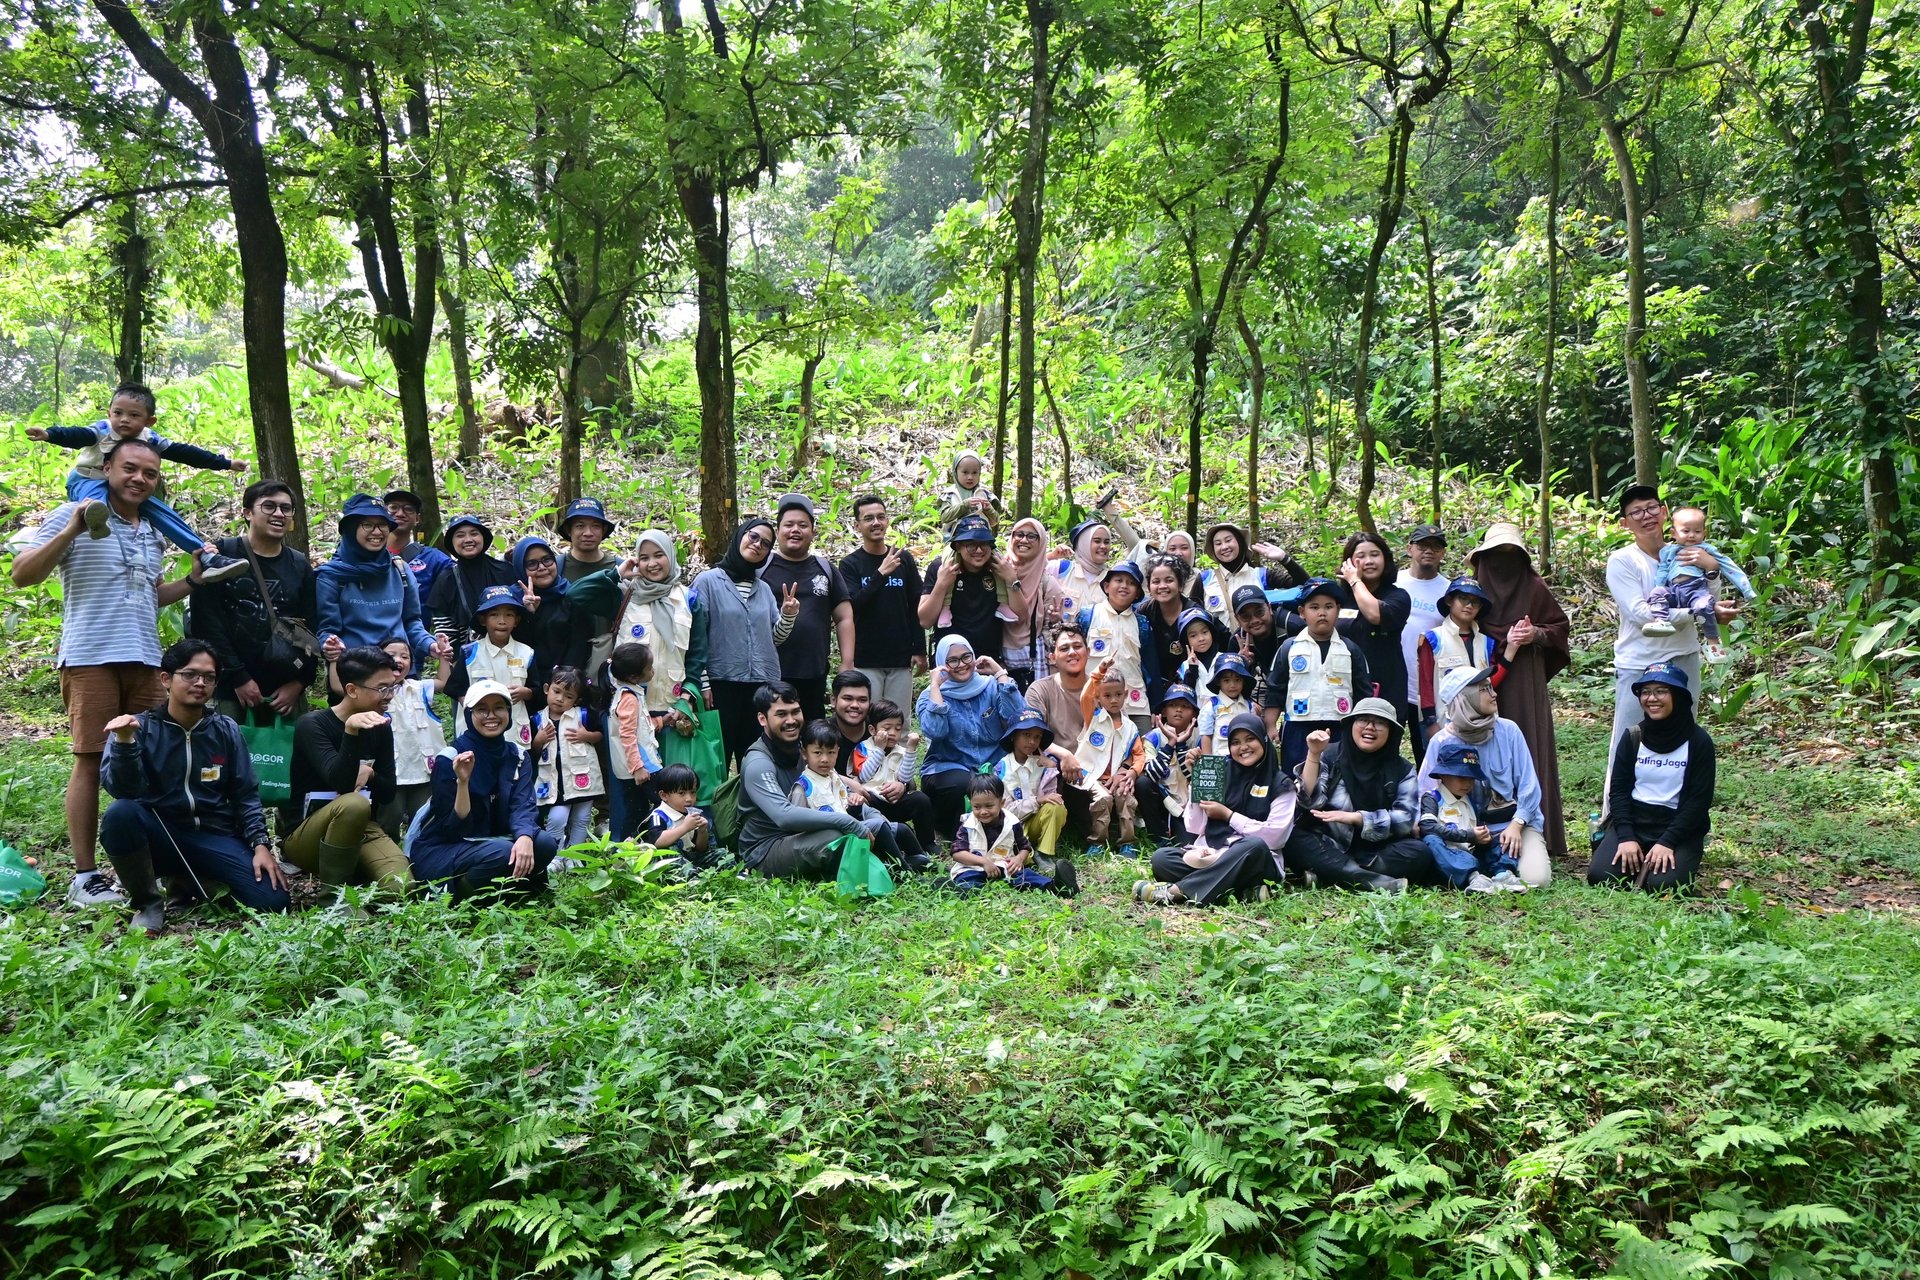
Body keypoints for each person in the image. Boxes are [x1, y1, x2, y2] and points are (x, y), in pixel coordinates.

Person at [11, 437, 198, 906]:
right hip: (90, 655)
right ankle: (85, 877)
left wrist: (192, 581)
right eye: (130, 468)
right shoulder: (72, 513)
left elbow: (151, 595)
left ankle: (158, 866)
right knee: (91, 759)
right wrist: (72, 529)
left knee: (155, 761)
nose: (139, 479)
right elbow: (22, 574)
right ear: (108, 467)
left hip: (146, 659)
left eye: (150, 474)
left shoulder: (152, 530)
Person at [97, 639, 288, 932]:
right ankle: (148, 903)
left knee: (273, 900)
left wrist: (260, 845)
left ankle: (189, 880)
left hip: (214, 834)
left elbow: (245, 793)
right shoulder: (138, 728)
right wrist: (125, 742)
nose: (200, 683)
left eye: (209, 677)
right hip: (160, 835)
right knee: (119, 814)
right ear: (166, 679)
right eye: (189, 674)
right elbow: (124, 791)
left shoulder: (225, 729)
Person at [25, 381, 248, 581]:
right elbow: (77, 435)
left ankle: (207, 556)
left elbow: (185, 453)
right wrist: (50, 434)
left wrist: (225, 463)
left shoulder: (149, 438)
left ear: (149, 421)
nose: (124, 419)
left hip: (123, 489)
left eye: (133, 415)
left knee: (165, 514)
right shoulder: (102, 429)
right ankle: (95, 521)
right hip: (88, 478)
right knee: (95, 503)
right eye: (118, 413)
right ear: (109, 413)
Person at [1605, 484, 1735, 803]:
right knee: (1628, 742)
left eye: (1651, 508)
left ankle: (1677, 815)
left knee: (1682, 740)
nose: (1646, 516)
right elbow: (1640, 614)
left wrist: (1711, 570)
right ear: (1624, 523)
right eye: (1636, 512)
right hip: (1640, 664)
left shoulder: (1688, 553)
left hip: (1684, 658)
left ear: (1664, 513)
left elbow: (1708, 598)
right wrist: (1697, 612)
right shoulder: (1623, 561)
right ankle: (1613, 819)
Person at [1467, 522, 1572, 857]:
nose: (1503, 561)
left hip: (1524, 678)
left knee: (1528, 744)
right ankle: (1482, 831)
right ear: (1484, 558)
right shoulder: (1473, 591)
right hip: (1483, 674)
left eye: (1511, 554)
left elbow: (1559, 627)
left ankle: (1536, 829)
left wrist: (1535, 634)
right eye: (1497, 554)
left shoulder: (1534, 587)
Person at [282, 645, 413, 899]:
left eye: (392, 687)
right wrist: (350, 732)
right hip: (308, 834)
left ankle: (357, 878)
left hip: (362, 828)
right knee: (353, 803)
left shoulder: (380, 726)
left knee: (400, 887)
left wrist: (371, 774)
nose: (389, 696)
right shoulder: (312, 725)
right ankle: (333, 898)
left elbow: (387, 793)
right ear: (352, 690)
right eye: (382, 689)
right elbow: (341, 783)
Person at [411, 679, 558, 901]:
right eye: (481, 709)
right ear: (468, 714)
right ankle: (464, 900)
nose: (491, 716)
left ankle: (514, 894)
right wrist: (463, 783)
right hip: (447, 846)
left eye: (499, 708)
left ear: (508, 712)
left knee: (543, 844)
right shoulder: (450, 759)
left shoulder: (517, 755)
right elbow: (451, 828)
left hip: (493, 839)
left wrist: (524, 836)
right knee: (502, 851)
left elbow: (523, 805)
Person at [189, 479, 318, 722]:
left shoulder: (299, 565)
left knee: (290, 747)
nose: (279, 514)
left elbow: (310, 626)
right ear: (247, 513)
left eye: (286, 508)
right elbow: (206, 622)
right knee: (228, 745)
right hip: (230, 689)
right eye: (269, 506)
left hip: (286, 692)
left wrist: (299, 682)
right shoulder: (222, 555)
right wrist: (238, 677)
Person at [1136, 714, 1290, 907]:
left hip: (1256, 861)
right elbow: (1194, 826)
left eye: (1250, 739)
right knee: (1162, 859)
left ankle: (1178, 891)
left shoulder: (1280, 784)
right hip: (1213, 853)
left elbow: (1275, 838)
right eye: (1235, 742)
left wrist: (1228, 815)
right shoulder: (1220, 771)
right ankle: (1244, 892)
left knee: (1254, 845)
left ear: (1263, 739)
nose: (1243, 747)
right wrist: (1197, 780)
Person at [739, 682, 888, 880]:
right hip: (766, 849)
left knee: (872, 822)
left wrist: (854, 793)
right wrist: (847, 822)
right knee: (838, 835)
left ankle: (901, 863)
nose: (791, 720)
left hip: (801, 835)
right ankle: (872, 871)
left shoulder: (799, 748)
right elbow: (784, 816)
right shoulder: (758, 763)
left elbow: (827, 785)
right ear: (762, 719)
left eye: (795, 712)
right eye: (781, 714)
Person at [1418, 666, 1552, 886]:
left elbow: (1529, 787)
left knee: (1538, 879)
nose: (1494, 694)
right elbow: (1425, 792)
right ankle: (1475, 871)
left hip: (1510, 828)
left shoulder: (1509, 731)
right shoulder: (1442, 741)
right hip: (1459, 832)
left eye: (1491, 687)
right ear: (1464, 698)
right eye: (1484, 689)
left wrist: (1517, 825)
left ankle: (1497, 868)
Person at [1590, 663, 1717, 892]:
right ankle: (1636, 856)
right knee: (1601, 877)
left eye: (1661, 691)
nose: (1651, 698)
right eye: (1646, 692)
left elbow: (1699, 801)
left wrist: (1668, 842)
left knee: (1663, 887)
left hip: (1678, 827)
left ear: (1678, 696)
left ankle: (1669, 859)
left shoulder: (1698, 742)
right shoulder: (1633, 737)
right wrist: (1626, 837)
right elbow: (1618, 791)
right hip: (1635, 822)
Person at [1297, 697, 1439, 886]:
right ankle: (1376, 882)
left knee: (1419, 853)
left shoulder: (1402, 769)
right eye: (1363, 720)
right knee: (1294, 838)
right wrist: (1314, 754)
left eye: (1380, 723)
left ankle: (1333, 874)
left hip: (1376, 851)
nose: (1370, 727)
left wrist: (1358, 818)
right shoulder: (1330, 754)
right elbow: (1307, 801)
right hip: (1330, 843)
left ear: (1391, 732)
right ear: (1352, 725)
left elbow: (1405, 820)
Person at [315, 494, 448, 682]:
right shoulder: (332, 576)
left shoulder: (400, 569)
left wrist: (431, 645)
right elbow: (327, 629)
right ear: (351, 528)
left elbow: (411, 622)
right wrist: (330, 645)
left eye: (382, 525)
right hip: (355, 677)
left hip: (398, 673)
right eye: (367, 525)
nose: (377, 532)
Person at [692, 517, 787, 768]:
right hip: (720, 684)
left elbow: (774, 639)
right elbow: (695, 636)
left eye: (765, 544)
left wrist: (788, 615)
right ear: (740, 536)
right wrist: (703, 683)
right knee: (716, 760)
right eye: (753, 536)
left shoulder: (763, 589)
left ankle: (750, 796)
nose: (757, 545)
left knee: (755, 758)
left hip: (759, 686)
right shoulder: (708, 581)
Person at [917, 635, 1026, 838]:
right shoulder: (930, 695)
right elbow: (936, 732)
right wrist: (935, 687)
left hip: (994, 763)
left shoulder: (991, 686)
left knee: (1001, 780)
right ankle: (957, 834)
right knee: (963, 784)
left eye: (966, 657)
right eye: (952, 660)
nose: (961, 664)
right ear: (942, 664)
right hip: (949, 765)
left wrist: (1000, 673)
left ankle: (1006, 833)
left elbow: (1018, 719)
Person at [760, 493, 854, 724]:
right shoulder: (761, 568)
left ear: (813, 532)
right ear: (777, 531)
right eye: (789, 525)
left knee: (813, 732)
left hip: (814, 671)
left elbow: (844, 617)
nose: (795, 530)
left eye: (803, 525)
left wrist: (847, 662)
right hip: (769, 671)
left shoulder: (825, 569)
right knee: (774, 729)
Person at [1266, 578, 1370, 772]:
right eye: (1314, 607)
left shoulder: (1350, 649)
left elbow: (1363, 693)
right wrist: (1271, 725)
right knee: (1296, 776)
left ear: (1338, 610)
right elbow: (1275, 689)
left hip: (1340, 727)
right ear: (1302, 612)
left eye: (1328, 607)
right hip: (1298, 728)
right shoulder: (1289, 648)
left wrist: (1362, 726)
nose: (1322, 613)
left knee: (1338, 776)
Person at [793, 719, 925, 870]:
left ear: (837, 752)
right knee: (879, 826)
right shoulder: (803, 788)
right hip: (833, 841)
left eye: (831, 753)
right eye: (817, 753)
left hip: (852, 830)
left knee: (901, 829)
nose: (825, 759)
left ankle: (923, 861)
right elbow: (797, 825)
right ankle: (902, 870)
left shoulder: (834, 777)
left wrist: (855, 805)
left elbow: (848, 811)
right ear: (804, 753)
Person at [839, 494, 925, 715]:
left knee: (899, 721)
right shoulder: (850, 564)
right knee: (868, 720)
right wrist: (880, 574)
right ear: (857, 526)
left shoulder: (903, 559)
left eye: (881, 517)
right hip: (865, 658)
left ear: (887, 521)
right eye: (868, 518)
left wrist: (919, 649)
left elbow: (916, 604)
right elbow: (852, 606)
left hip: (900, 658)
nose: (876, 523)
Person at [1645, 506, 1757, 664]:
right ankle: (1661, 621)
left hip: (1696, 590)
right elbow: (1663, 570)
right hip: (1673, 591)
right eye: (1686, 531)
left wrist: (1747, 589)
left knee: (1704, 606)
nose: (1691, 535)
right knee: (1657, 593)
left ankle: (1713, 643)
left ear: (1704, 533)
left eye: (1697, 531)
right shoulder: (1668, 551)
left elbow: (1728, 566)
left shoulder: (1706, 549)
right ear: (1673, 533)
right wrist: (1659, 585)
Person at [838, 679, 936, 849]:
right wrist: (879, 749)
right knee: (857, 805)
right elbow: (864, 775)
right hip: (871, 799)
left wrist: (910, 750)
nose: (892, 733)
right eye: (887, 728)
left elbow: (905, 777)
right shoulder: (863, 748)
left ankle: (927, 842)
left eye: (897, 729)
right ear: (872, 730)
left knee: (920, 800)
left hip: (893, 799)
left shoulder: (900, 750)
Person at [1420, 741, 1529, 893]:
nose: (1467, 783)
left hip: (1472, 851)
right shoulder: (1433, 798)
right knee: (1431, 840)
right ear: (1443, 775)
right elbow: (1427, 827)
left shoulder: (1470, 798)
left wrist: (1484, 837)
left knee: (1506, 837)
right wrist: (1468, 835)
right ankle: (1473, 878)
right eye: (1461, 777)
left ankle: (1503, 875)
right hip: (1449, 855)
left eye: (1471, 778)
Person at [1024, 626, 1098, 838]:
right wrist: (1064, 754)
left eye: (1077, 646)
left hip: (1097, 763)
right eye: (1064, 648)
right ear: (1052, 657)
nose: (1072, 652)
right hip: (1058, 765)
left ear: (1088, 652)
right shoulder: (1039, 690)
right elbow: (1031, 735)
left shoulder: (1102, 688)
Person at [949, 774, 1074, 895]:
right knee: (968, 879)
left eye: (989, 806)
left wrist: (1019, 859)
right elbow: (957, 853)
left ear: (1002, 803)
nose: (983, 811)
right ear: (971, 803)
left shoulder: (1012, 822)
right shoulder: (967, 825)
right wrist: (983, 862)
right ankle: (962, 891)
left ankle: (1057, 886)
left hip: (1004, 866)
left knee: (1026, 875)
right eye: (977, 807)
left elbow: (1025, 847)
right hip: (973, 867)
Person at [448, 584, 538, 748]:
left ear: (516, 621)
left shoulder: (526, 653)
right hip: (477, 732)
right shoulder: (469, 653)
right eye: (494, 615)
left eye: (509, 615)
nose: (502, 621)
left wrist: (526, 692)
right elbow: (455, 688)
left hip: (514, 732)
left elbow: (537, 689)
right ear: (483, 620)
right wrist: (476, 709)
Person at [918, 514, 1016, 664]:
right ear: (958, 546)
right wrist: (941, 585)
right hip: (950, 660)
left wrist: (1011, 579)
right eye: (971, 545)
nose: (979, 550)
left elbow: (1021, 614)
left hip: (988, 659)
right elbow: (925, 621)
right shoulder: (942, 568)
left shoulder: (998, 569)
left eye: (984, 544)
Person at [1414, 575, 1506, 730]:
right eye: (1463, 598)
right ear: (1449, 601)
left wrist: (1511, 650)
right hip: (1446, 723)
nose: (1469, 605)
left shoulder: (1487, 642)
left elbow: (1491, 682)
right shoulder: (1433, 639)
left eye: (1475, 602)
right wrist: (1430, 722)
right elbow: (1425, 684)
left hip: (1483, 722)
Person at [1076, 662, 1145, 857]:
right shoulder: (1093, 717)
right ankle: (1098, 842)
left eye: (1118, 694)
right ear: (1098, 696)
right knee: (1103, 799)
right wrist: (1099, 672)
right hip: (1090, 775)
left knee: (1126, 798)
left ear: (1125, 694)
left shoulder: (1130, 727)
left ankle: (1128, 842)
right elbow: (1085, 696)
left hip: (1116, 777)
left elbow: (1139, 755)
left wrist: (1132, 772)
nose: (1113, 700)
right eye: (1107, 695)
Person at [1337, 531, 1413, 708]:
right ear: (1348, 562)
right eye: (1361, 556)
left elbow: (1375, 615)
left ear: (1385, 559)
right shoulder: (1339, 598)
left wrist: (1354, 581)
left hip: (1384, 689)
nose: (1369, 561)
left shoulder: (1398, 596)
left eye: (1375, 554)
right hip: (1342, 688)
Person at [531, 666, 604, 851]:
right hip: (554, 782)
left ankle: (575, 855)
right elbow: (532, 751)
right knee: (557, 818)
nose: (560, 699)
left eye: (568, 696)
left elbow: (600, 735)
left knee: (581, 818)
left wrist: (586, 736)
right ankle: (554, 856)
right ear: (546, 689)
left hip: (582, 778)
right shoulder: (537, 720)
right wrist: (538, 740)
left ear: (577, 700)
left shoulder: (583, 716)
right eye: (556, 691)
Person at [380, 636, 447, 831]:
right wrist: (334, 660)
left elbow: (443, 681)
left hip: (422, 771)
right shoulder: (372, 692)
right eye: (391, 655)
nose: (398, 660)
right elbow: (339, 688)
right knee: (389, 821)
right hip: (391, 773)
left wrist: (443, 655)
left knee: (423, 821)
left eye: (404, 656)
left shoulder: (419, 688)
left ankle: (419, 850)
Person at [508, 534, 591, 692]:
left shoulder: (572, 596)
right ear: (520, 568)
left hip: (563, 688)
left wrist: (560, 685)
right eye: (532, 564)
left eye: (547, 560)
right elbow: (511, 645)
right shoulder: (512, 600)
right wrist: (528, 614)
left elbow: (579, 647)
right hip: (521, 685)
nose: (542, 567)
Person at [1075, 562, 1154, 724]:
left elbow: (1151, 666)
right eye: (1118, 580)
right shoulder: (1088, 615)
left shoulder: (1142, 623)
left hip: (1134, 702)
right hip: (1095, 701)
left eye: (1131, 583)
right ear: (1106, 586)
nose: (1124, 586)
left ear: (1137, 593)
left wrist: (1156, 705)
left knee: (1141, 739)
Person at [992, 708, 1069, 873]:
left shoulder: (1044, 765)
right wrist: (1037, 801)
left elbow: (1052, 796)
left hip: (1036, 823)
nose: (1032, 741)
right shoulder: (1001, 769)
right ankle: (1026, 853)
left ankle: (1044, 853)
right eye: (1026, 735)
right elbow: (1003, 811)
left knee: (1056, 807)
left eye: (1037, 737)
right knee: (1019, 860)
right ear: (1013, 736)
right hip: (1012, 829)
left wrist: (1051, 768)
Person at [1398, 523, 1450, 763]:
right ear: (1410, 549)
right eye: (1422, 545)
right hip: (1394, 684)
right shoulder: (1394, 582)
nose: (1429, 551)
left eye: (1435, 546)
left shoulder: (1449, 591)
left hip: (1428, 689)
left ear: (1443, 553)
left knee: (1429, 757)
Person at [425, 514, 517, 650]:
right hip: (469, 655)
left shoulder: (505, 571)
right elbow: (445, 631)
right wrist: (457, 658)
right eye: (460, 535)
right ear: (452, 542)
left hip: (512, 652)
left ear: (483, 538)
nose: (468, 540)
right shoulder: (446, 580)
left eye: (474, 534)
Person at [1195, 524, 1307, 630]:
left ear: (1240, 542)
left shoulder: (1261, 575)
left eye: (1228, 540)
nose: (1224, 547)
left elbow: (1307, 585)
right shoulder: (1205, 579)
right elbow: (1193, 614)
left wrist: (1285, 559)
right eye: (1218, 543)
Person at [1051, 501, 1146, 623]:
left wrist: (1110, 509)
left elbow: (1137, 547)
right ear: (1083, 544)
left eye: (1106, 542)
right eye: (1097, 541)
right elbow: (1031, 570)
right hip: (1059, 634)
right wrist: (1051, 556)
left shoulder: (1112, 579)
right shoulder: (1062, 569)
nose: (1103, 546)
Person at [604, 642, 662, 840]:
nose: (653, 670)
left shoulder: (627, 691)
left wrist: (662, 721)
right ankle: (648, 841)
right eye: (649, 668)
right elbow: (627, 734)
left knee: (638, 808)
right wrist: (638, 767)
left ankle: (638, 843)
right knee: (661, 802)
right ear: (634, 676)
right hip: (644, 766)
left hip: (641, 765)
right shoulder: (629, 698)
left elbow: (640, 724)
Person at [1138, 684, 1203, 842]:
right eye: (1173, 705)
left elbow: (1199, 780)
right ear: (1164, 711)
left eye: (1185, 706)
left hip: (1188, 803)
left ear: (1194, 714)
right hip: (1161, 799)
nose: (1178, 710)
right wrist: (1170, 744)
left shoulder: (1200, 739)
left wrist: (1181, 746)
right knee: (1142, 783)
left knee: (1187, 842)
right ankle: (1158, 837)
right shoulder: (1153, 737)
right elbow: (1152, 774)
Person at [1001, 517, 1061, 688]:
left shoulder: (1047, 583)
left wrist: (1055, 620)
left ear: (1041, 543)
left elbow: (1054, 632)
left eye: (1032, 536)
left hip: (1034, 660)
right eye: (1019, 534)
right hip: (997, 658)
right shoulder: (997, 572)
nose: (1024, 540)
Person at [1139, 557, 1194, 710]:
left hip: (1190, 688)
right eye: (1156, 581)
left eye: (1169, 580)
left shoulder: (1194, 612)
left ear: (1180, 584)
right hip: (1153, 690)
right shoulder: (1143, 613)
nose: (1162, 586)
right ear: (1149, 587)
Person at [643, 763, 713, 871]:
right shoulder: (659, 815)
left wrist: (702, 831)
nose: (689, 798)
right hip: (662, 863)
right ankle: (693, 876)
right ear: (664, 795)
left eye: (693, 792)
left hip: (690, 858)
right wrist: (685, 827)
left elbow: (701, 850)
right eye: (682, 793)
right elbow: (656, 841)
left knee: (721, 854)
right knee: (671, 852)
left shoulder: (693, 815)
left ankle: (735, 874)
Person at [385, 490, 452, 600]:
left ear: (417, 519)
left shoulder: (433, 559)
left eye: (408, 509)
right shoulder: (368, 556)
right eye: (393, 507)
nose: (400, 514)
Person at [556, 497, 619, 585]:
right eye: (580, 526)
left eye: (595, 526)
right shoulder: (555, 568)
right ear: (569, 530)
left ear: (603, 530)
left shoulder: (620, 568)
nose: (588, 533)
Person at [938, 448, 1001, 533]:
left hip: (981, 535)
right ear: (956, 472)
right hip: (955, 538)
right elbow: (944, 518)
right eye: (965, 472)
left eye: (974, 473)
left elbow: (995, 521)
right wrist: (964, 505)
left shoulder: (984, 493)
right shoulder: (949, 494)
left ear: (979, 473)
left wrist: (988, 509)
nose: (970, 477)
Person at [1174, 606, 1229, 695]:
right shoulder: (1184, 667)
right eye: (1193, 635)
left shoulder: (1225, 659)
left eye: (1204, 632)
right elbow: (1184, 695)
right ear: (1186, 640)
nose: (1201, 639)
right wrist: (1192, 671)